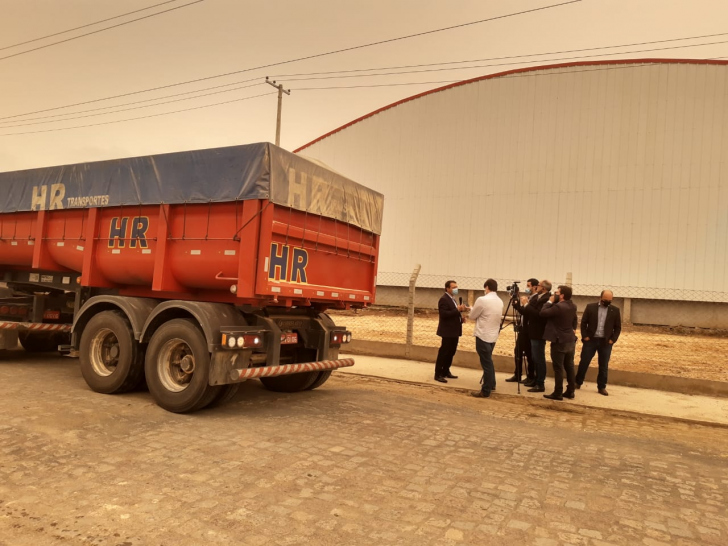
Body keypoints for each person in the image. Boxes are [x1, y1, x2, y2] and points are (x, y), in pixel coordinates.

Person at [575, 290, 622, 396]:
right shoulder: (590, 307)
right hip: (591, 340)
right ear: (600, 298)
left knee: (603, 365)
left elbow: (618, 327)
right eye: (606, 300)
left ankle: (601, 387)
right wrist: (585, 336)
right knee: (584, 362)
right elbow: (583, 323)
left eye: (610, 300)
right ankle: (577, 382)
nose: (608, 302)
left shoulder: (615, 310)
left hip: (605, 342)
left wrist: (612, 340)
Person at [540, 285, 578, 401]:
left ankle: (558, 392)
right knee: (569, 366)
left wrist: (549, 301)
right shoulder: (573, 306)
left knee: (558, 367)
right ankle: (571, 391)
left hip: (559, 341)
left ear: (561, 295)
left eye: (557, 293)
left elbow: (543, 313)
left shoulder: (558, 307)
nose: (554, 294)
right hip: (570, 340)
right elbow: (575, 319)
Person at [513, 279, 552, 392]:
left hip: (538, 333)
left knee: (539, 358)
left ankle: (540, 383)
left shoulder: (546, 299)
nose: (536, 287)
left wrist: (526, 304)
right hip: (532, 331)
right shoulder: (540, 297)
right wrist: (519, 306)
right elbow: (529, 312)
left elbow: (538, 315)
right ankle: (535, 380)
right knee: (534, 357)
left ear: (543, 288)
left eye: (538, 285)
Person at [469, 279, 504, 398]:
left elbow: (472, 316)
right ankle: (492, 383)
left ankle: (486, 389)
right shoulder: (500, 301)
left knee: (486, 363)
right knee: (489, 360)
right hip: (493, 335)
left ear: (487, 287)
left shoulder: (482, 299)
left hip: (483, 334)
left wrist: (472, 309)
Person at [505, 278, 538, 384]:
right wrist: (516, 302)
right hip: (523, 329)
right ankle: (517, 374)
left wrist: (522, 304)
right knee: (518, 351)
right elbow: (523, 312)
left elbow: (527, 312)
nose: (527, 288)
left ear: (535, 287)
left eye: (529, 286)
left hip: (529, 331)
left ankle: (531, 376)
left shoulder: (535, 299)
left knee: (529, 354)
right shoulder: (529, 298)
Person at [434, 280, 468, 383]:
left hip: (454, 330)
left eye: (456, 287)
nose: (455, 289)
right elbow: (444, 314)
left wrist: (460, 319)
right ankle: (438, 373)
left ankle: (446, 370)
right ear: (447, 288)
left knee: (451, 352)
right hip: (447, 331)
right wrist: (457, 310)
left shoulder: (453, 299)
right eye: (453, 287)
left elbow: (453, 313)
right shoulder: (443, 299)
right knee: (444, 352)